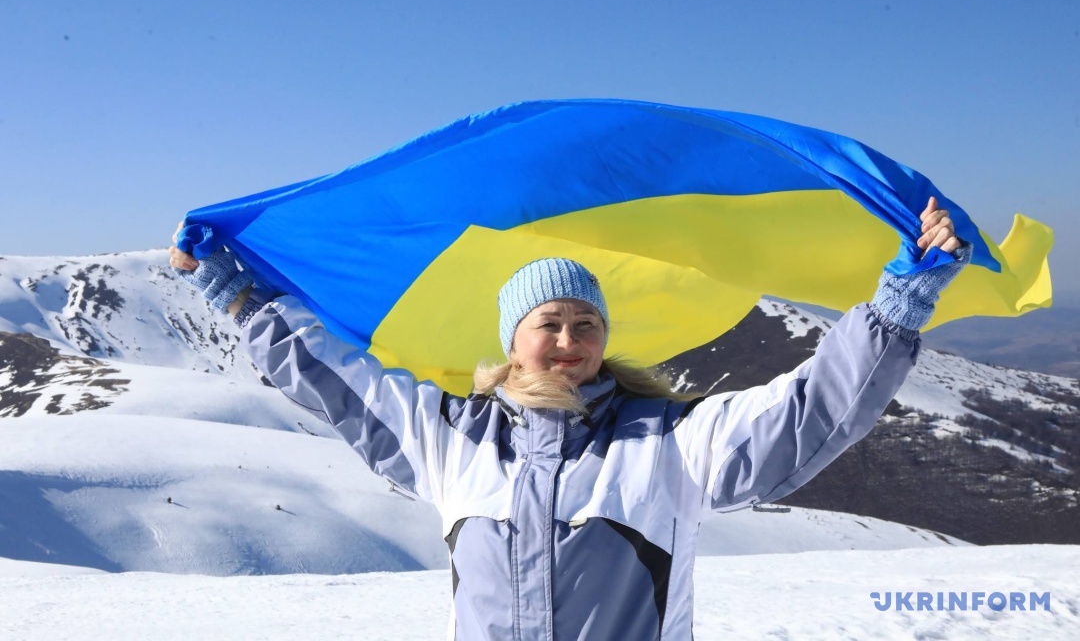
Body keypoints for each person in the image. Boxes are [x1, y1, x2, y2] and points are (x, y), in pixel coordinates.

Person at [169, 197, 968, 640]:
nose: (568, 340)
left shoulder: (666, 441)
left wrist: (896, 307)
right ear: (511, 340)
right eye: (548, 323)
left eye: (586, 325)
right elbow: (340, 381)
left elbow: (804, 414)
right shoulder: (452, 438)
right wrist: (235, 295)